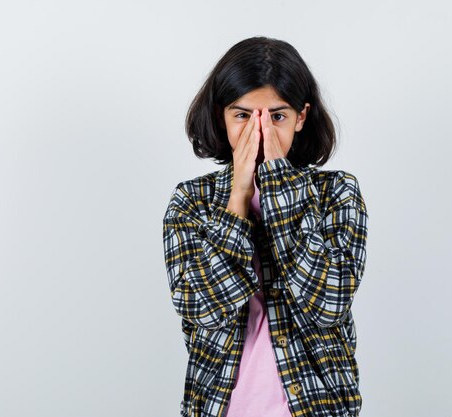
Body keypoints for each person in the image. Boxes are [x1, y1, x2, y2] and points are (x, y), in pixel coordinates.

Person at [162, 36, 369, 417]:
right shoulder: (192, 202)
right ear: (221, 115)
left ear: (301, 117)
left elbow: (329, 305)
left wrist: (278, 185)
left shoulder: (336, 193)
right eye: (243, 116)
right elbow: (202, 309)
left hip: (317, 407)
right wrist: (238, 196)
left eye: (277, 116)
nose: (260, 132)